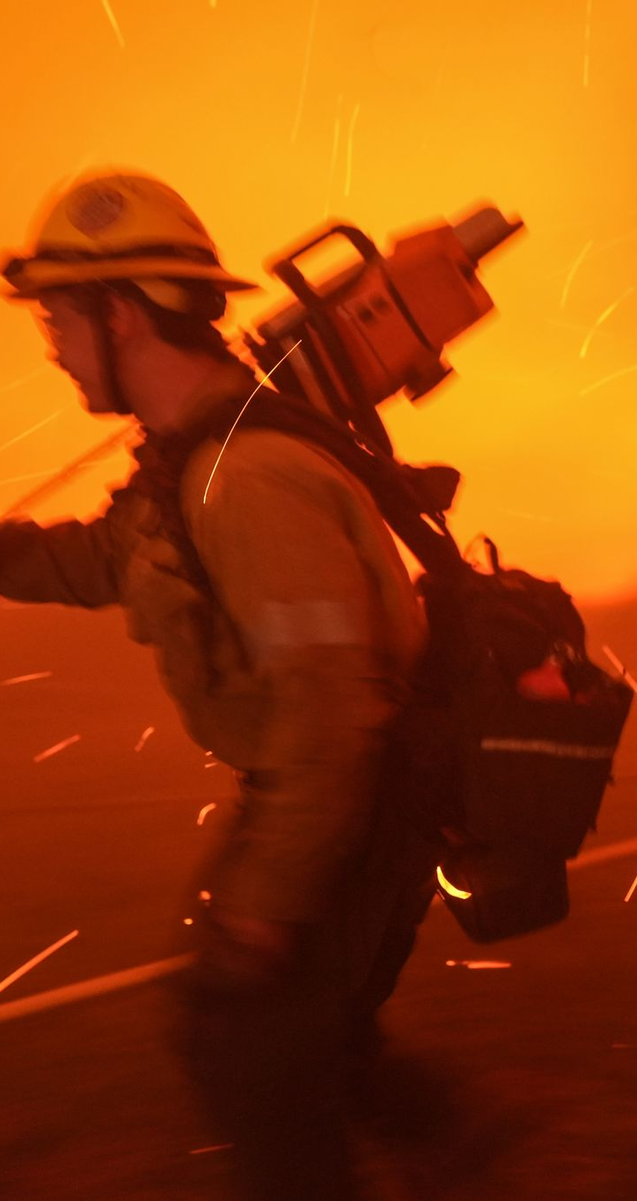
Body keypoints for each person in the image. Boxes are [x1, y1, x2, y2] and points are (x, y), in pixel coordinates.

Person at [1, 171, 438, 1198]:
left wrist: (266, 896)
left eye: (60, 316)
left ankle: (464, 1150)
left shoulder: (247, 478)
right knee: (299, 1045)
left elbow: (332, 711)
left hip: (344, 801)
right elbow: (103, 562)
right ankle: (469, 1153)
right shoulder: (190, 462)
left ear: (121, 311)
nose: (51, 343)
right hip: (312, 794)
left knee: (246, 1055)